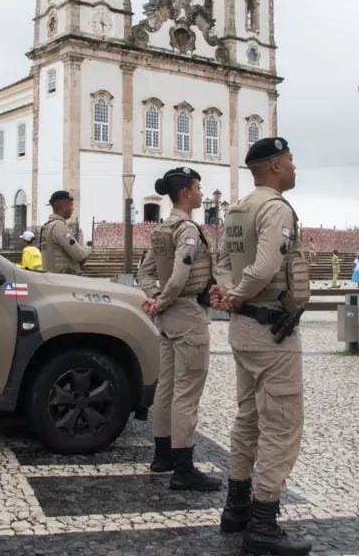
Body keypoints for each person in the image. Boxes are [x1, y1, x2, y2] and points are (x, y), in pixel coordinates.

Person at [210, 136, 312, 555]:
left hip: (244, 333)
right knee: (282, 426)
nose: (293, 166)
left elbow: (220, 260)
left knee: (248, 418)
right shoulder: (276, 208)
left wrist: (228, 290)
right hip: (271, 330)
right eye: (289, 160)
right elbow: (268, 263)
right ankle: (263, 525)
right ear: (272, 166)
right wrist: (240, 293)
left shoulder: (236, 210)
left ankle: (235, 509)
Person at [135, 167, 221, 492]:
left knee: (166, 387)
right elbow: (182, 273)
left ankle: (162, 456)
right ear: (186, 192)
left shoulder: (160, 229)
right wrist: (163, 300)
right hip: (186, 313)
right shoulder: (186, 229)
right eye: (198, 188)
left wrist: (156, 299)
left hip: (167, 318)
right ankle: (184, 469)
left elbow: (143, 273)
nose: (201, 193)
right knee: (187, 392)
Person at [39, 190, 91, 274]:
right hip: (63, 279)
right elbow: (79, 255)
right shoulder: (60, 226)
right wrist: (89, 249)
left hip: (51, 277)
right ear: (64, 206)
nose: (73, 208)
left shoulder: (47, 226)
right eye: (71, 205)